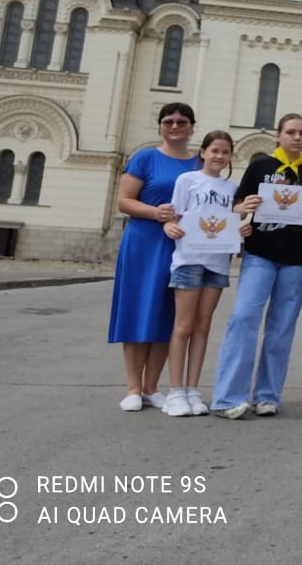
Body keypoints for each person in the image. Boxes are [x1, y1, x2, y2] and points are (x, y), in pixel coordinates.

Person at [210, 113, 302, 419]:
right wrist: (243, 209)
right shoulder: (260, 166)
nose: (297, 137)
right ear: (278, 135)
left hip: (297, 258)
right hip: (260, 252)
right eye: (291, 132)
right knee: (243, 317)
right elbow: (235, 205)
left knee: (281, 328)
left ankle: (267, 395)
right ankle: (227, 397)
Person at [108, 102, 198, 411]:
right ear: (160, 126)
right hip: (144, 242)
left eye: (182, 121)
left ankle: (151, 386)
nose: (175, 126)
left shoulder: (199, 164)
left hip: (181, 245)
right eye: (169, 121)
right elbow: (124, 201)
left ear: (192, 127)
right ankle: (133, 386)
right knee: (137, 308)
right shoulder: (145, 157)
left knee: (166, 313)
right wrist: (155, 212)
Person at [160, 130, 250, 417]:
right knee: (183, 326)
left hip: (217, 263)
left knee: (203, 326)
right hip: (189, 259)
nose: (219, 157)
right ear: (203, 152)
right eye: (214, 151)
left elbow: (230, 223)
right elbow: (174, 215)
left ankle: (192, 388)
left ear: (230, 156)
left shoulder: (230, 188)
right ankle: (175, 391)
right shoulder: (187, 181)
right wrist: (168, 227)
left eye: (225, 152)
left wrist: (241, 230)